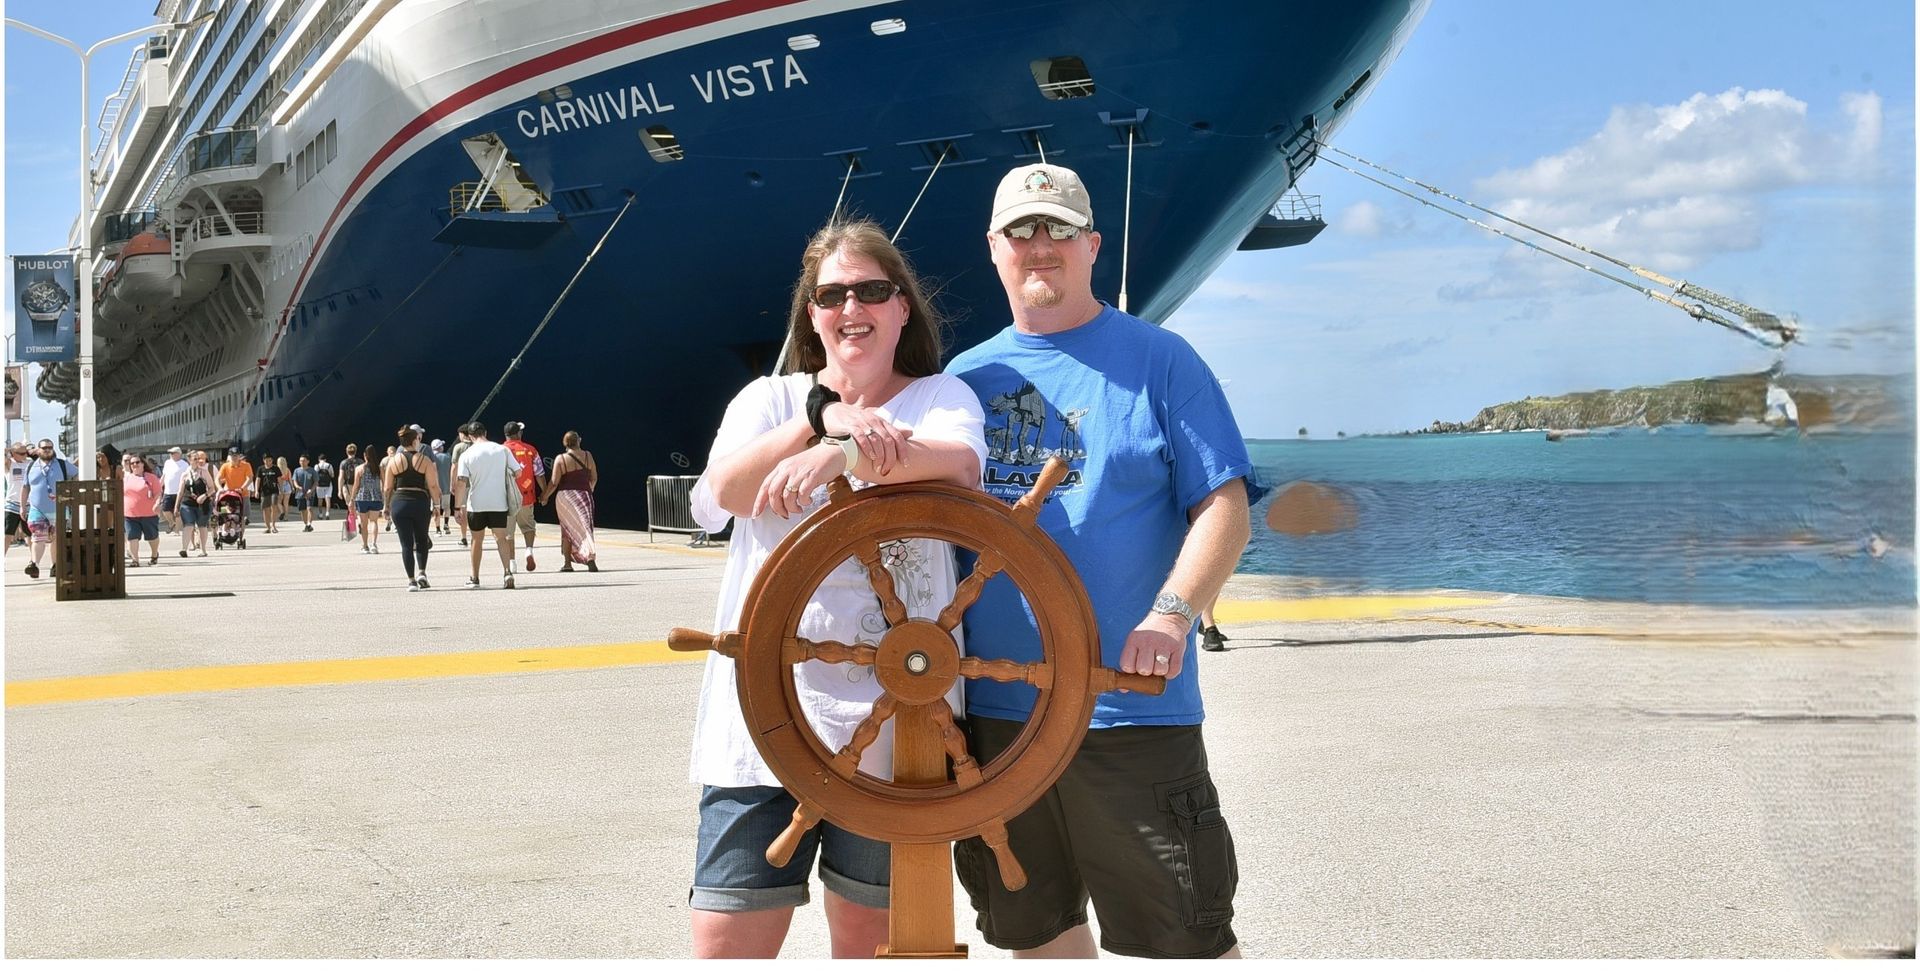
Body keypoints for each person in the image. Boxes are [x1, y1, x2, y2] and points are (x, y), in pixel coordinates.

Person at [945, 163, 1259, 960]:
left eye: (1056, 228)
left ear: (1092, 244)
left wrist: (1175, 612)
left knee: (1183, 945)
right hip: (1000, 722)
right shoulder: (960, 383)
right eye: (1021, 230)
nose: (1038, 245)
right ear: (994, 249)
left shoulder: (1161, 361)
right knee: (1038, 940)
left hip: (1131, 712)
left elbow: (1224, 505)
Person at [684, 219, 987, 959]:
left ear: (902, 307)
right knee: (726, 941)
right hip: (761, 720)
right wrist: (820, 415)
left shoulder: (940, 396)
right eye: (832, 295)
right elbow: (722, 492)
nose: (853, 308)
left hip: (901, 724)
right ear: (811, 315)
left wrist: (839, 455)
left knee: (871, 940)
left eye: (872, 291)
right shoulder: (766, 400)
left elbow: (960, 465)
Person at [454, 422, 521, 589]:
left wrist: (457, 508)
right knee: (501, 538)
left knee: (477, 540)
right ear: (486, 432)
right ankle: (507, 572)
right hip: (499, 502)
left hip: (476, 504)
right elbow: (518, 472)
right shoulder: (502, 450)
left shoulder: (467, 454)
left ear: (469, 437)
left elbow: (461, 482)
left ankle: (475, 578)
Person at [382, 426, 442, 591]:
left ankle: (411, 580)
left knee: (406, 544)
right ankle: (422, 572)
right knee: (422, 539)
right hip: (420, 502)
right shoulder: (424, 460)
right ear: (415, 440)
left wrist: (386, 506)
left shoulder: (393, 461)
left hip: (399, 502)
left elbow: (387, 488)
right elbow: (433, 485)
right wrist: (437, 506)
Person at [538, 431, 599, 572]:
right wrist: (588, 490)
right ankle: (590, 558)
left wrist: (544, 496)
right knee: (586, 527)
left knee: (566, 529)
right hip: (584, 496)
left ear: (565, 443)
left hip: (565, 498)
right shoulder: (588, 456)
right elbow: (594, 477)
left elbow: (553, 482)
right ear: (579, 441)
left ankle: (567, 564)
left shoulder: (561, 459)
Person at [23, 439, 75, 578]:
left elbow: (77, 474)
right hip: (37, 508)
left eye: (50, 447)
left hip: (59, 507)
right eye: (44, 447)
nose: (47, 450)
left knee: (57, 539)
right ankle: (34, 564)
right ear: (38, 450)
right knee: (38, 537)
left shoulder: (63, 464)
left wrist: (71, 490)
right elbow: (25, 487)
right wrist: (22, 507)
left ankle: (55, 566)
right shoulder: (31, 466)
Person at [502, 421, 544, 571]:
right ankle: (528, 551)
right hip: (526, 496)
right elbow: (539, 473)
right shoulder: (530, 450)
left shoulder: (500, 451)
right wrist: (544, 493)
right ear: (518, 433)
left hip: (506, 499)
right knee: (528, 527)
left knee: (508, 533)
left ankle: (512, 563)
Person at [122, 454, 164, 567]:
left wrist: (157, 503)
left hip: (149, 513)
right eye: (132, 463)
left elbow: (158, 493)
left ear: (142, 464)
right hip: (130, 514)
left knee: (152, 537)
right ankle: (135, 560)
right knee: (132, 536)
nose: (135, 465)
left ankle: (154, 554)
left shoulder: (151, 477)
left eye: (137, 462)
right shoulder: (126, 479)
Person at [178, 449, 215, 557]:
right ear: (189, 460)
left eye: (199, 458)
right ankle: (184, 549)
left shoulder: (204, 472)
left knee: (202, 526)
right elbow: (180, 492)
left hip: (202, 504)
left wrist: (205, 495)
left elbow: (212, 488)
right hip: (187, 503)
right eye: (195, 459)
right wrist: (176, 506)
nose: (198, 461)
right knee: (188, 525)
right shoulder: (185, 474)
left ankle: (203, 550)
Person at [350, 442, 385, 553]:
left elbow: (356, 485)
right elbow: (384, 484)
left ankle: (365, 546)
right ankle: (374, 544)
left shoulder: (360, 469)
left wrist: (351, 499)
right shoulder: (379, 468)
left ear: (365, 456)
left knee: (364, 524)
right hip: (375, 497)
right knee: (374, 521)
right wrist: (385, 498)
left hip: (362, 497)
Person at [448, 428, 473, 548]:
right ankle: (475, 536)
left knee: (463, 511)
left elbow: (454, 467)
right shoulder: (476, 446)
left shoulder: (458, 447)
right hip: (475, 483)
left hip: (462, 483)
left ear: (462, 434)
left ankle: (464, 537)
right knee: (475, 510)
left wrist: (452, 483)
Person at [218, 449, 254, 526]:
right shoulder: (225, 466)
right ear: (229, 456)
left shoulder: (246, 465)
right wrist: (220, 488)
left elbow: (249, 478)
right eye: (232, 455)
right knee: (224, 510)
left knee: (243, 516)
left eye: (236, 455)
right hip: (229, 493)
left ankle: (241, 534)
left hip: (243, 494)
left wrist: (242, 488)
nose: (234, 457)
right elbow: (217, 479)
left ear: (239, 456)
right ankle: (224, 527)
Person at [7, 441, 31, 552]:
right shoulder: (9, 463)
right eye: (21, 454)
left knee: (30, 534)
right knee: (7, 534)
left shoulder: (30, 462)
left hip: (29, 504)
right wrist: (8, 451)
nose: (25, 455)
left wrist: (31, 452)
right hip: (12, 504)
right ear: (13, 453)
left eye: (25, 453)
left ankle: (33, 560)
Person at [160, 446, 189, 534]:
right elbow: (164, 475)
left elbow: (187, 477)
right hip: (168, 491)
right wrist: (159, 486)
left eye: (173, 453)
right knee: (165, 509)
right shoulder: (167, 463)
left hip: (179, 491)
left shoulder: (184, 464)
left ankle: (177, 530)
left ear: (178, 454)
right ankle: (172, 523)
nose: (171, 455)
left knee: (178, 511)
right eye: (170, 453)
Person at [337, 444, 360, 538]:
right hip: (357, 485)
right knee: (358, 506)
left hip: (347, 486)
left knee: (350, 506)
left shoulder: (343, 463)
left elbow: (341, 477)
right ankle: (360, 522)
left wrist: (339, 490)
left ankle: (352, 526)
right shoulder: (360, 462)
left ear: (347, 452)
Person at [430, 439, 453, 535]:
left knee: (436, 508)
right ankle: (446, 525)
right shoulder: (447, 457)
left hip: (435, 488)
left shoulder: (431, 458)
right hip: (446, 486)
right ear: (440, 447)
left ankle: (438, 529)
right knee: (447, 507)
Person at [256, 454, 283, 533]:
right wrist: (256, 490)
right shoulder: (260, 469)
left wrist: (281, 490)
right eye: (266, 460)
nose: (268, 462)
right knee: (265, 509)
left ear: (272, 460)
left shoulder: (275, 468)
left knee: (273, 507)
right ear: (263, 460)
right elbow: (258, 480)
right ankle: (267, 527)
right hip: (264, 491)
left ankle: (273, 525)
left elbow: (279, 480)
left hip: (274, 491)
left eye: (269, 460)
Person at [292, 455, 318, 532]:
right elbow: (294, 480)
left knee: (309, 508)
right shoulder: (297, 471)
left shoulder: (312, 471)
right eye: (300, 461)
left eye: (303, 460)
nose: (302, 462)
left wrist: (311, 490)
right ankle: (306, 524)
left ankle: (309, 524)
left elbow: (316, 482)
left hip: (310, 493)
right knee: (303, 510)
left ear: (308, 461)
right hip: (300, 493)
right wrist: (297, 486)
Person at [313, 455, 335, 519]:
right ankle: (327, 513)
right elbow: (332, 475)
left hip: (319, 485)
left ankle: (320, 514)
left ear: (319, 459)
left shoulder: (317, 466)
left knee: (320, 500)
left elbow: (315, 476)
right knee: (328, 499)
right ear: (325, 459)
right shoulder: (329, 465)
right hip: (328, 484)